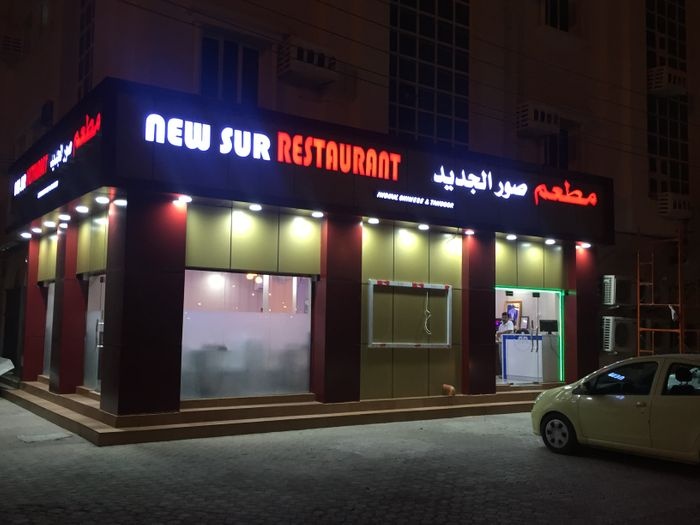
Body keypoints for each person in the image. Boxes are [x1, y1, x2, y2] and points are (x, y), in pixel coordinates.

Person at [495, 312, 514, 377]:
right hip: (501, 343)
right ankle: (503, 373)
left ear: (508, 318)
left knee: (508, 358)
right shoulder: (501, 325)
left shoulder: (510, 323)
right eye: (503, 317)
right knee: (501, 358)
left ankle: (508, 373)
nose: (504, 319)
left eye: (505, 317)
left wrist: (500, 333)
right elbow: (498, 333)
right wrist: (497, 337)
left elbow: (509, 331)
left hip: (508, 344)